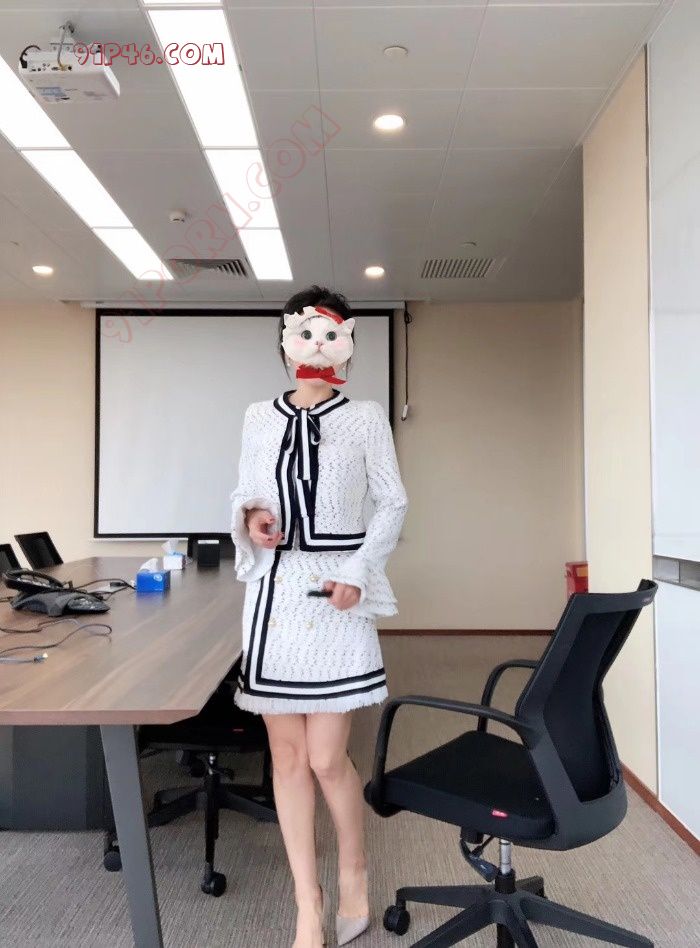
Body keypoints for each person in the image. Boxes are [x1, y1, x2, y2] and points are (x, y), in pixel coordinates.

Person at [230, 285, 407, 947]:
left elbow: (392, 502)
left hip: (339, 588)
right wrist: (253, 516)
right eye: (304, 333)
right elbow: (245, 492)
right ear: (285, 344)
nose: (316, 345)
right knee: (287, 756)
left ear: (347, 345)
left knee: (329, 758)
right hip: (275, 593)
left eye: (330, 334)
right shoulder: (258, 416)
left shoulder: (365, 418)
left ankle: (354, 869)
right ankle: (308, 902)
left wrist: (358, 572)